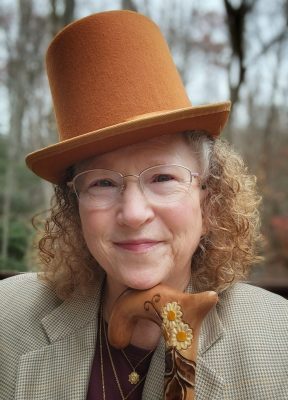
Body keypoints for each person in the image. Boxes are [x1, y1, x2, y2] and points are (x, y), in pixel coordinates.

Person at [0, 10, 287, 400]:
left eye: (163, 178)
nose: (134, 214)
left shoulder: (279, 343)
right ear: (75, 207)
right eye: (102, 182)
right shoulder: (7, 317)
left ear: (209, 197)